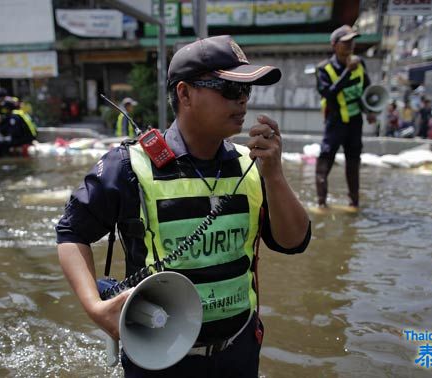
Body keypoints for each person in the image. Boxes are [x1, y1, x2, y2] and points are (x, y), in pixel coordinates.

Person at [56, 35, 311, 377]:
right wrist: (95, 308)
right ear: (185, 93)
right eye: (229, 89)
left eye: (247, 91)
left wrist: (275, 174)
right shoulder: (129, 165)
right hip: (156, 357)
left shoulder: (253, 165)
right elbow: (71, 233)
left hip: (239, 350)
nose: (243, 102)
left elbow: (294, 241)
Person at [315, 25, 375, 209]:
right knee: (324, 163)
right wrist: (347, 71)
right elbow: (328, 94)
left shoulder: (360, 63)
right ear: (334, 45)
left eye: (352, 41)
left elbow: (367, 90)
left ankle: (354, 204)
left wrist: (370, 110)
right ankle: (321, 205)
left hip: (355, 122)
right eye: (345, 41)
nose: (350, 45)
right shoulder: (324, 69)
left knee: (353, 163)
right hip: (335, 122)